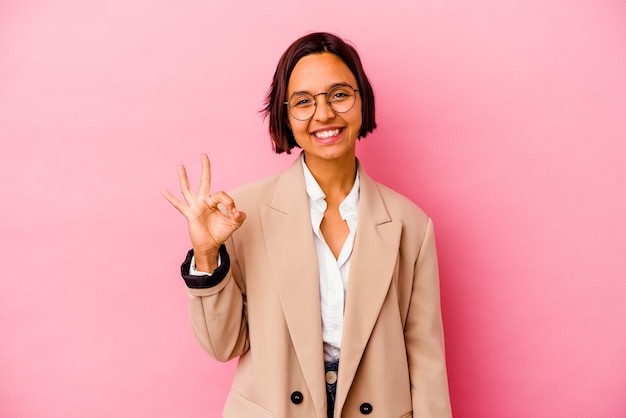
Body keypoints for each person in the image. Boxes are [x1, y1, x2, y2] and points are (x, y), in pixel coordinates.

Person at [161, 32, 452, 418]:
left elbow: (426, 362)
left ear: (362, 99)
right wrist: (207, 254)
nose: (325, 114)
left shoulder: (411, 225)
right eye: (303, 101)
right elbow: (222, 345)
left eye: (339, 94)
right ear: (285, 114)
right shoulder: (241, 214)